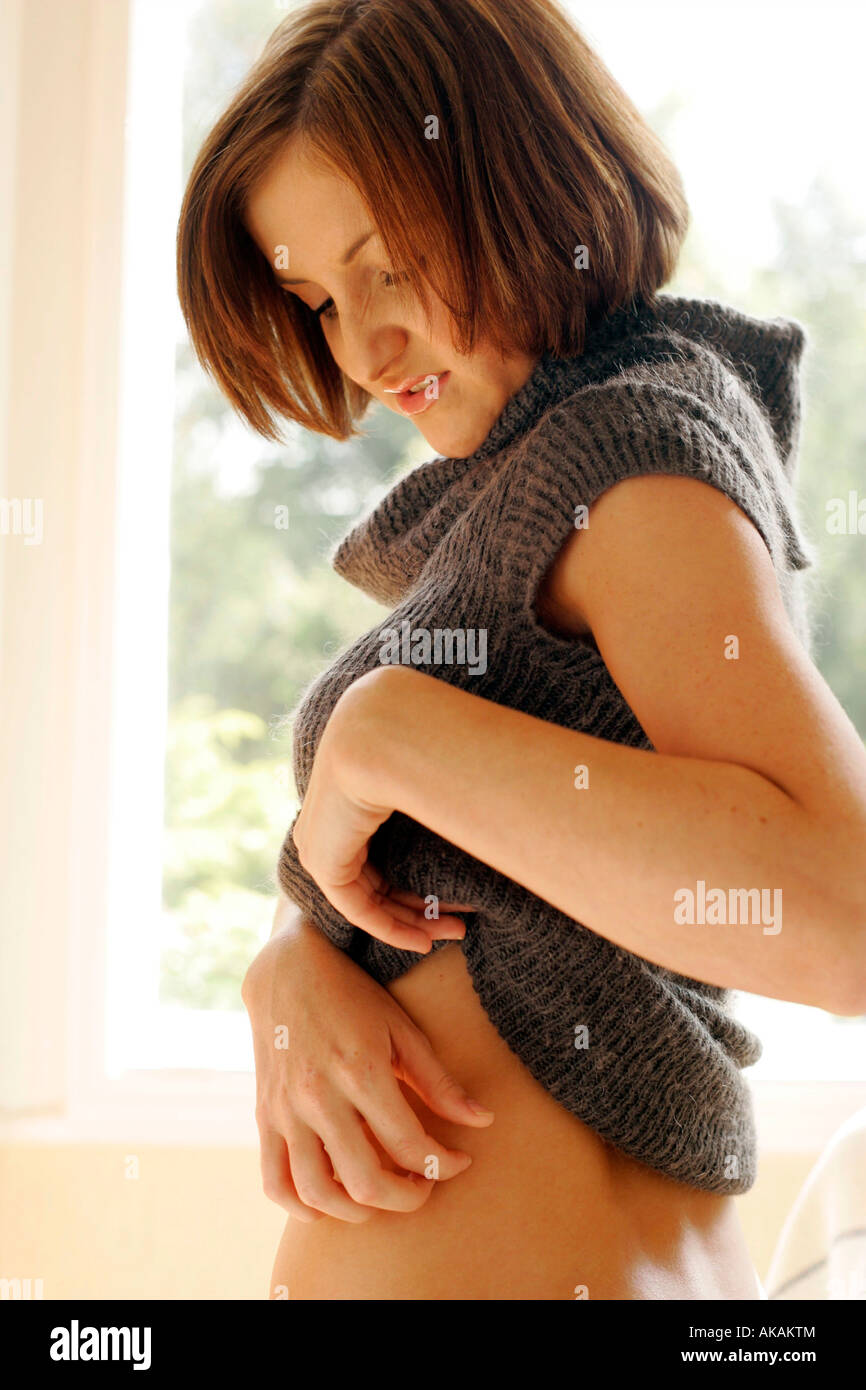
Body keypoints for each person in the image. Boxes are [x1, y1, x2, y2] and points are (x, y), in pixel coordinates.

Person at [176, 0, 866, 1299]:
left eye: (385, 265)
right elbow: (468, 858)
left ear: (524, 175)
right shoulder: (526, 484)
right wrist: (289, 953)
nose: (362, 349)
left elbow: (839, 917)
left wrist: (396, 734)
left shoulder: (628, 454)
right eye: (319, 299)